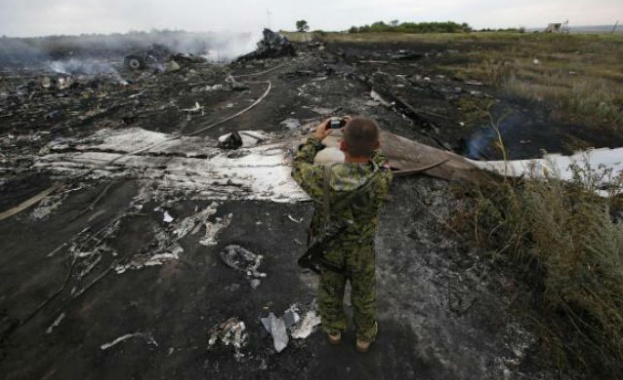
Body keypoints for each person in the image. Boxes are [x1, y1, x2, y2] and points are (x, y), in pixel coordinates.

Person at [291, 116, 393, 352]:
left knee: (329, 291)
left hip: (330, 249)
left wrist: (316, 138)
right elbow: (381, 160)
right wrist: (367, 138)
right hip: (362, 249)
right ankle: (364, 337)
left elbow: (298, 164)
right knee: (364, 294)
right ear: (376, 146)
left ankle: (334, 331)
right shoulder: (382, 177)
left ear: (342, 146)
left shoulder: (322, 177)